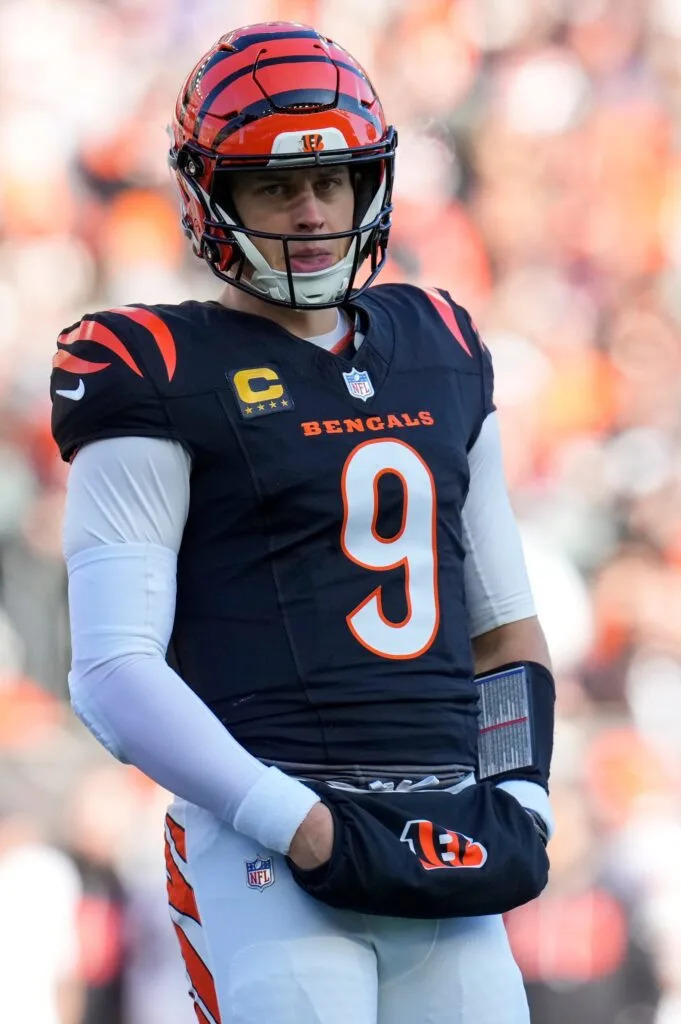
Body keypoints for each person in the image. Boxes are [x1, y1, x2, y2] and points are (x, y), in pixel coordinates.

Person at [51, 21, 555, 1024]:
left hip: (444, 827)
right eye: (277, 186)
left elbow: (503, 627)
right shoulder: (154, 365)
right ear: (211, 194)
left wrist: (525, 793)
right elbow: (112, 670)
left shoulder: (441, 343)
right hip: (270, 850)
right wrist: (299, 821)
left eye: (335, 180)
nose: (314, 210)